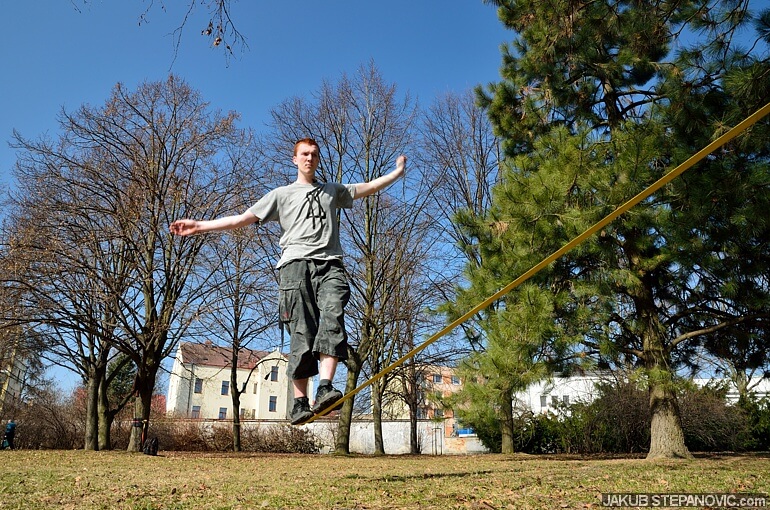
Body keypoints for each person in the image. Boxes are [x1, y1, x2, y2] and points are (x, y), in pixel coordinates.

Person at [170, 138, 406, 424]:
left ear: (318, 159)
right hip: (294, 268)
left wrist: (395, 174)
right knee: (302, 333)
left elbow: (366, 188)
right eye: (304, 154)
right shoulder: (280, 195)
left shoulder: (332, 191)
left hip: (330, 265)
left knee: (333, 315)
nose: (310, 158)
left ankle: (326, 388)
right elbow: (242, 219)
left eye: (314, 154)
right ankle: (299, 403)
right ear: (295, 159)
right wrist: (199, 226)